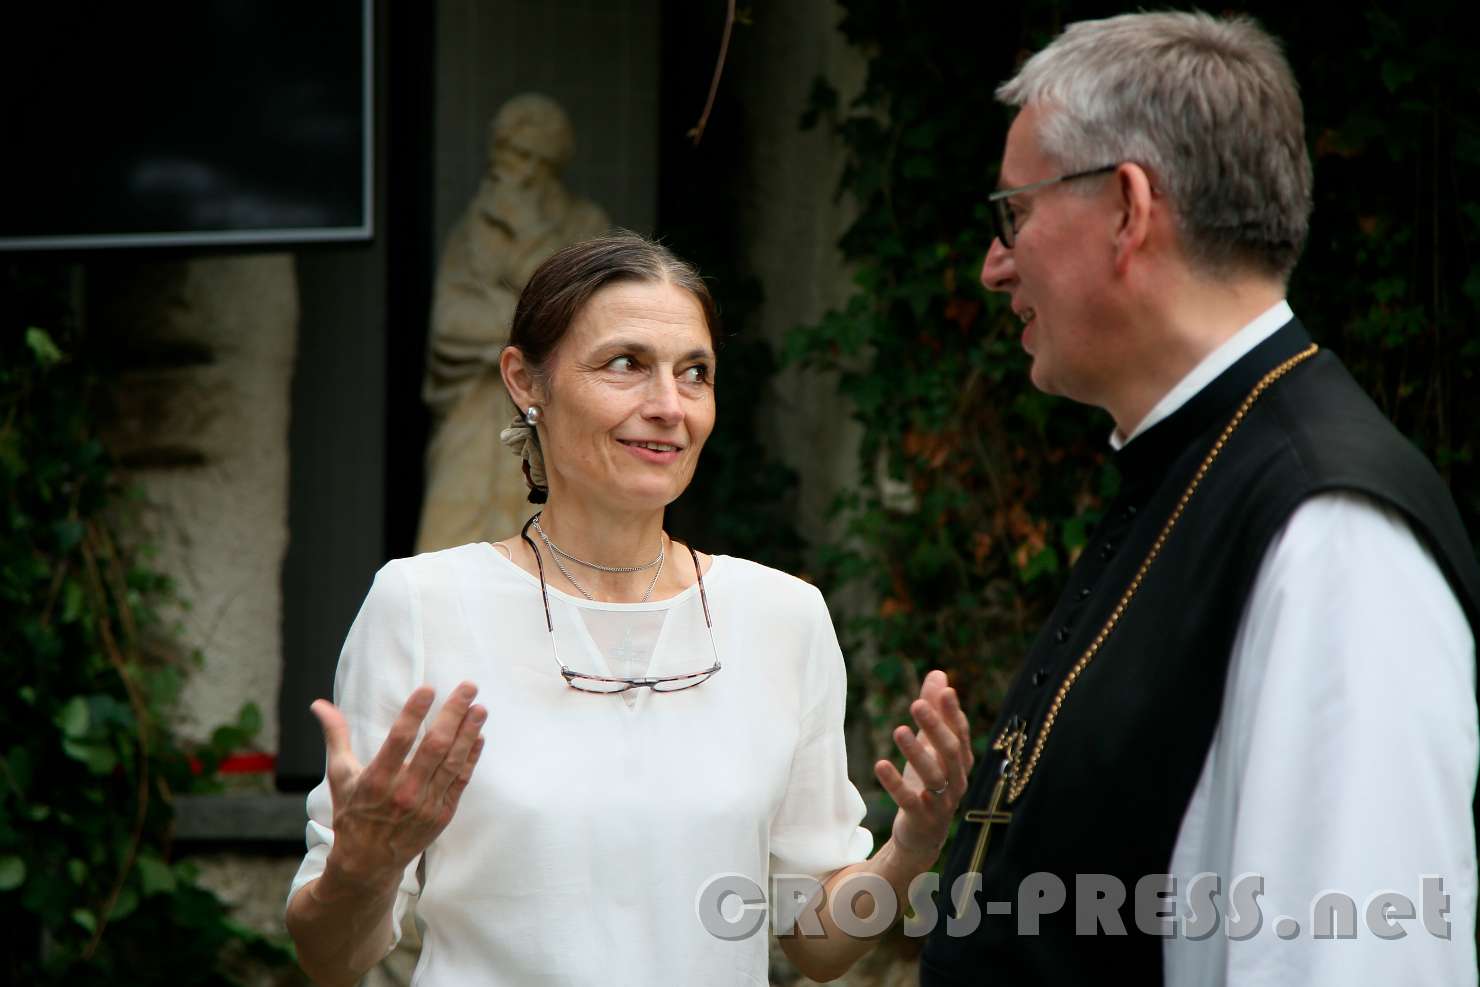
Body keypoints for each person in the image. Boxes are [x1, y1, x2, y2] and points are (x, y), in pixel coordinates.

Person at [921, 12, 1480, 986]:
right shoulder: (1192, 463)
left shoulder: (1328, 528)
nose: (993, 264)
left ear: (1128, 209)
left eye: (1013, 214)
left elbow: (1345, 959)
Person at [285, 232, 974, 986]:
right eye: (626, 364)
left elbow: (815, 939)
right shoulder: (422, 604)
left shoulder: (783, 616)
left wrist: (908, 849)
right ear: (525, 379)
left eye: (695, 373)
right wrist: (361, 868)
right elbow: (331, 957)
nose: (669, 407)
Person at [417, 92, 610, 554]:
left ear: (549, 164)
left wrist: (527, 239)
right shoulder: (472, 231)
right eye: (501, 152)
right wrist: (528, 327)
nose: (507, 168)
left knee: (551, 560)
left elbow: (582, 325)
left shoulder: (586, 226)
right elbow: (449, 324)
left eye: (522, 156)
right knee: (448, 552)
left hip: (553, 416)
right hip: (475, 412)